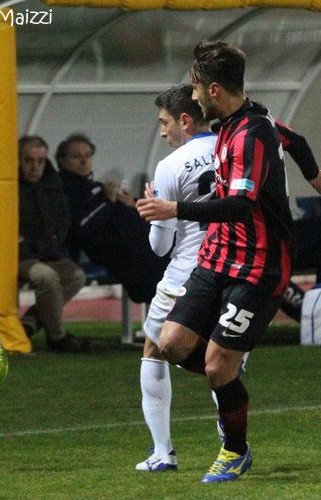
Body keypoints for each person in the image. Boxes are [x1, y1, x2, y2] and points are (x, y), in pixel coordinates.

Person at [137, 40, 321, 483]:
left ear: (212, 90)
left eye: (193, 88)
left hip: (260, 265)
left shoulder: (251, 134)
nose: (189, 96)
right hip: (216, 257)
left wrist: (173, 210)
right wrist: (315, 175)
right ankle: (228, 366)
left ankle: (235, 448)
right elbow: (298, 141)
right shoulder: (238, 118)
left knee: (215, 365)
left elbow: (240, 206)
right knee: (171, 345)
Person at [135, 84, 217, 472]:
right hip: (235, 270)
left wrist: (155, 213)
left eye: (165, 122)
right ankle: (231, 444)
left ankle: (162, 452)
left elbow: (159, 247)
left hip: (188, 272)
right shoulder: (233, 148)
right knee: (225, 359)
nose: (162, 131)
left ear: (185, 120)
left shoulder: (170, 167)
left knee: (153, 348)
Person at [57, 133, 169, 304]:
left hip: (137, 241)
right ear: (62, 161)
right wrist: (108, 201)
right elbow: (81, 225)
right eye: (77, 157)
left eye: (87, 156)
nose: (84, 161)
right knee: (157, 268)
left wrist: (133, 203)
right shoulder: (63, 191)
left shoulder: (95, 188)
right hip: (116, 250)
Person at [16, 136, 90, 353]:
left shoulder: (51, 183)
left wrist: (53, 241)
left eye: (40, 161)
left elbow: (63, 219)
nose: (35, 167)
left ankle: (30, 322)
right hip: (18, 255)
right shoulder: (7, 185)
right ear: (18, 160)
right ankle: (57, 336)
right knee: (46, 277)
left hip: (47, 253)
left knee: (76, 276)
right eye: (29, 160)